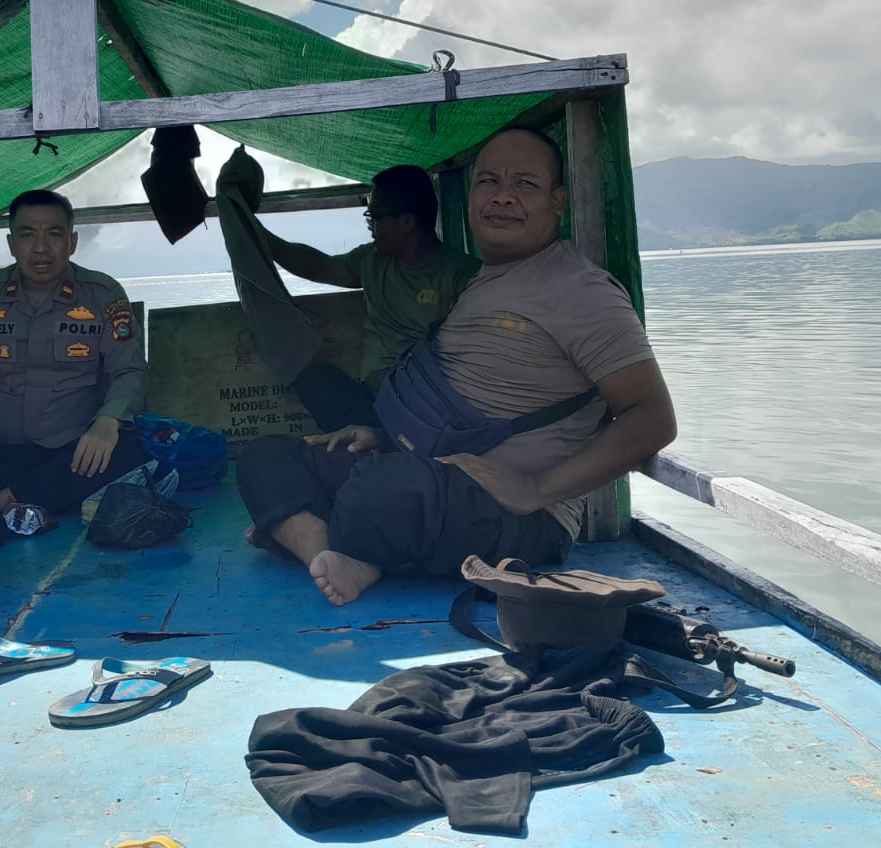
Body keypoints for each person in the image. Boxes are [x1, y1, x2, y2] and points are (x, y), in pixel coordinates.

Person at [235, 128, 678, 606]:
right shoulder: (485, 282)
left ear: (558, 201)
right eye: (488, 181)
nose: (503, 196)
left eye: (525, 183)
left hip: (519, 515)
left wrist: (535, 488)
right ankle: (327, 551)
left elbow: (653, 418)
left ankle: (305, 530)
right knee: (268, 456)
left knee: (385, 488)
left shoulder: (580, 291)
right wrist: (381, 437)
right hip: (433, 470)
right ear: (470, 199)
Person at [216, 150, 479, 432]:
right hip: (374, 398)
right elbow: (318, 265)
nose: (370, 227)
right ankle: (369, 440)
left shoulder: (462, 276)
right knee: (317, 378)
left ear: (407, 223)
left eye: (374, 217)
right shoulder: (371, 262)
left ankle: (380, 444)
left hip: (428, 402)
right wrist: (254, 231)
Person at [0, 189, 149, 523]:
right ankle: (25, 498)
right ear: (11, 244)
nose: (40, 248)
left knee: (128, 450)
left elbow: (128, 370)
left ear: (72, 242)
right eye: (27, 235)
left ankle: (3, 500)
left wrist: (108, 421)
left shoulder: (102, 294)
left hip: (74, 451)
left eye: (54, 234)